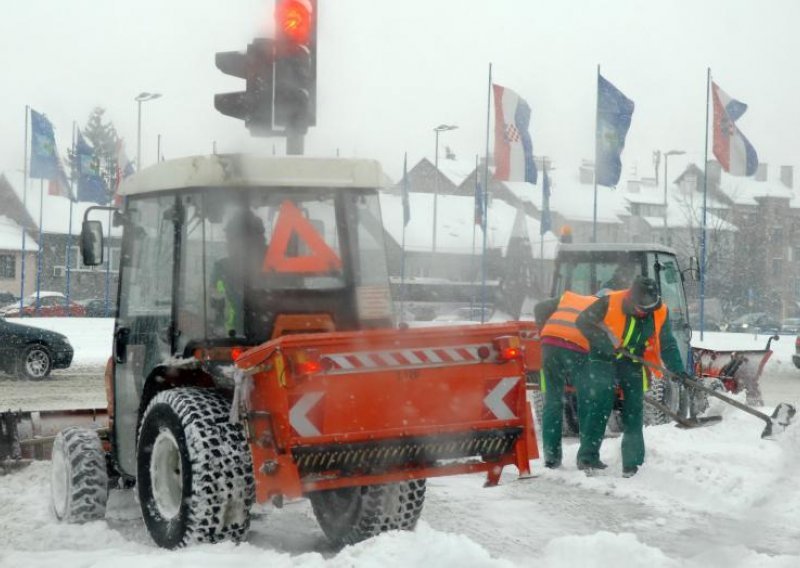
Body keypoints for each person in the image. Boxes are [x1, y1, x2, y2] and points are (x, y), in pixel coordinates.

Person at [575, 275, 686, 477]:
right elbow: (582, 321)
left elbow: (668, 343)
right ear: (631, 299)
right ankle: (587, 457)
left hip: (632, 360)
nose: (643, 313)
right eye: (640, 309)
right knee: (600, 404)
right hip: (603, 358)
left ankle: (633, 463)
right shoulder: (610, 302)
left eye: (647, 310)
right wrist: (604, 344)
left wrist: (678, 370)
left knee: (634, 409)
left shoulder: (660, 312)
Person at [534, 291, 599, 468]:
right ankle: (586, 458)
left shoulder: (569, 298)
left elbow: (539, 307)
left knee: (553, 401)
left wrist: (543, 330)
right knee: (587, 401)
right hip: (576, 347)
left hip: (549, 344)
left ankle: (551, 458)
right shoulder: (606, 307)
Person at [210, 207, 268, 336]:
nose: (229, 244)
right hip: (234, 339)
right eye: (229, 239)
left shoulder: (222, 268)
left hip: (233, 340)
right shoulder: (278, 264)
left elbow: (211, 308)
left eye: (231, 239)